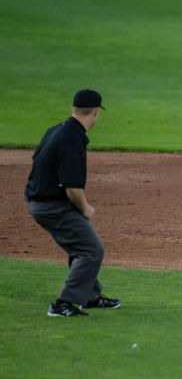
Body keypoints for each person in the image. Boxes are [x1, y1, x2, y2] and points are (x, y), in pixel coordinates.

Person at [25, 89, 120, 317]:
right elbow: (72, 188)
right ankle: (63, 304)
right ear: (96, 112)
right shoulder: (71, 139)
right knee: (91, 249)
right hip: (51, 205)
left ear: (74, 109)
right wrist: (85, 208)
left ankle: (89, 295)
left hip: (41, 198)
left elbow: (37, 162)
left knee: (82, 243)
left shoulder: (58, 130)